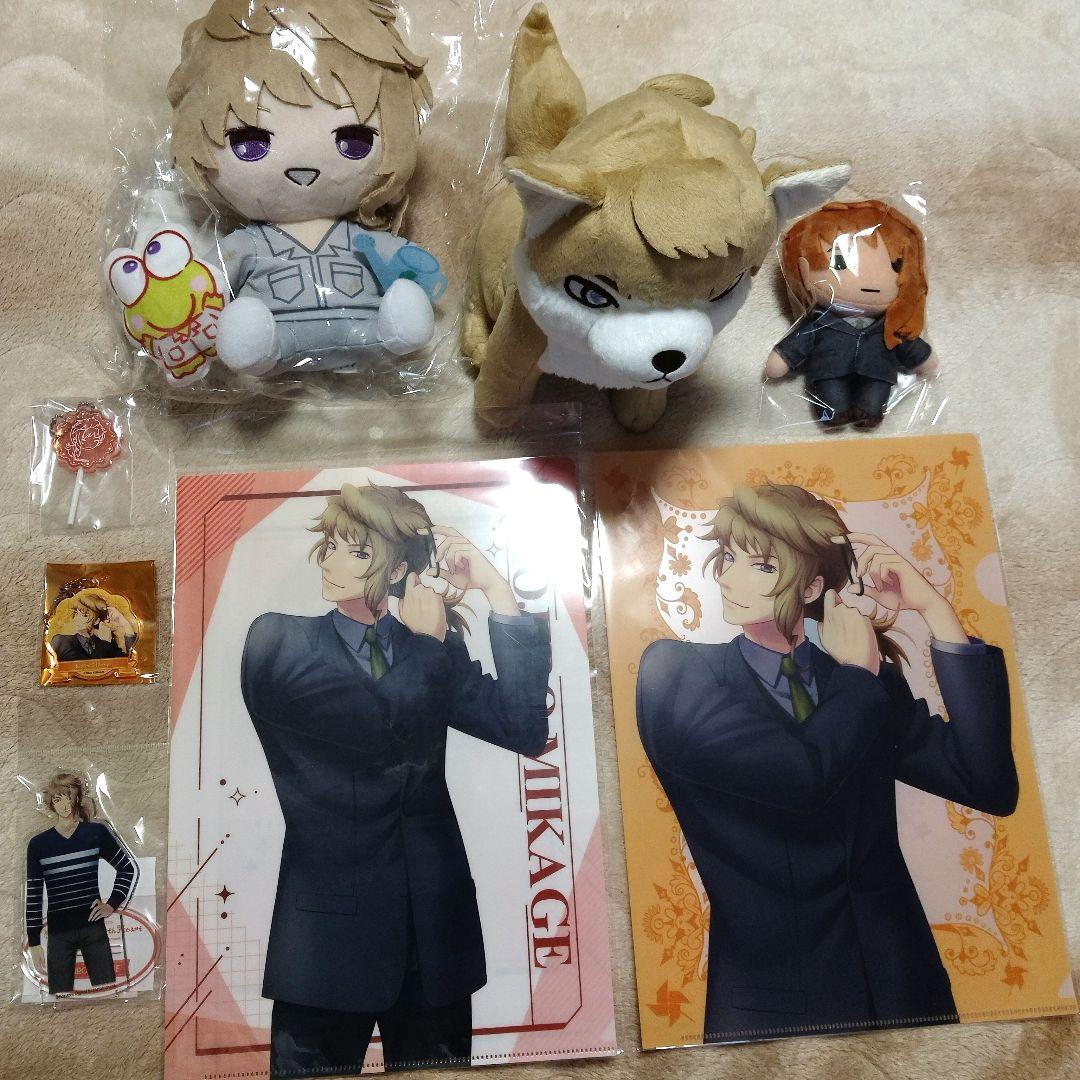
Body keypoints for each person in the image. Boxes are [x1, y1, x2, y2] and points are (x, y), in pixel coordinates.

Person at [636, 482, 1018, 1040]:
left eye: (761, 566)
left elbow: (988, 784)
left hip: (906, 990)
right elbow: (800, 776)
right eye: (728, 559)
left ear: (813, 586)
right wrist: (860, 675)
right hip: (776, 1007)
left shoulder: (853, 678)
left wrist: (936, 612)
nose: (727, 579)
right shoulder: (678, 675)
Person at [240, 482, 551, 1077]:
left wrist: (498, 592)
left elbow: (523, 728)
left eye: (357, 552)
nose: (331, 562)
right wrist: (427, 647)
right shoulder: (278, 643)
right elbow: (368, 732)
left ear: (400, 570)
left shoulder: (429, 650)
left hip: (434, 944)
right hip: (325, 947)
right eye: (332, 545)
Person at [764, 200, 937, 427]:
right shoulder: (820, 323)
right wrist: (782, 359)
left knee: (873, 404)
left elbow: (909, 345)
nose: (869, 281)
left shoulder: (891, 327)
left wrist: (924, 359)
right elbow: (796, 345)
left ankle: (868, 413)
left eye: (895, 265)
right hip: (829, 373)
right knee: (831, 403)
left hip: (878, 374)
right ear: (803, 271)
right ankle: (834, 413)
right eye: (838, 261)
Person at [25, 772, 138, 995]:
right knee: (60, 997)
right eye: (57, 799)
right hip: (58, 933)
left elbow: (127, 868)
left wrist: (112, 904)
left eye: (68, 797)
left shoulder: (95, 833)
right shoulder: (38, 845)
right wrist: (34, 942)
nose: (64, 805)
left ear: (77, 797)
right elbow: (34, 895)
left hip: (93, 929)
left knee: (107, 992)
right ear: (50, 803)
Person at [50, 590, 137, 662]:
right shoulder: (61, 641)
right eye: (76, 613)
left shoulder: (107, 645)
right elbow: (81, 667)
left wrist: (125, 624)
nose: (76, 618)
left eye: (84, 614)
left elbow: (130, 662)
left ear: (96, 621)